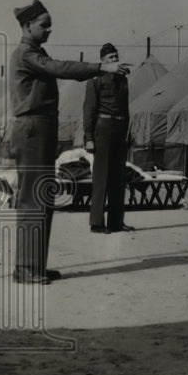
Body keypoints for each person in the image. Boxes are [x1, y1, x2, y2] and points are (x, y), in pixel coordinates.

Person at [8, 0, 129, 284]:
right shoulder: (27, 53)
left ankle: (34, 266)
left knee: (42, 199)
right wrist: (102, 68)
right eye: (43, 25)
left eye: (50, 24)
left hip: (42, 128)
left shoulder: (35, 52)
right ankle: (26, 268)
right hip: (33, 128)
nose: (49, 29)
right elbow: (60, 68)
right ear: (26, 26)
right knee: (33, 199)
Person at [83, 42, 131, 234]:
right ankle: (96, 223)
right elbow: (89, 109)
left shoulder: (123, 79)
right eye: (111, 58)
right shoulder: (95, 79)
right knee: (101, 176)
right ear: (102, 61)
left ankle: (116, 222)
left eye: (116, 57)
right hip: (103, 128)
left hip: (120, 129)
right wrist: (89, 137)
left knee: (119, 177)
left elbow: (126, 107)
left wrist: (127, 131)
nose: (115, 60)